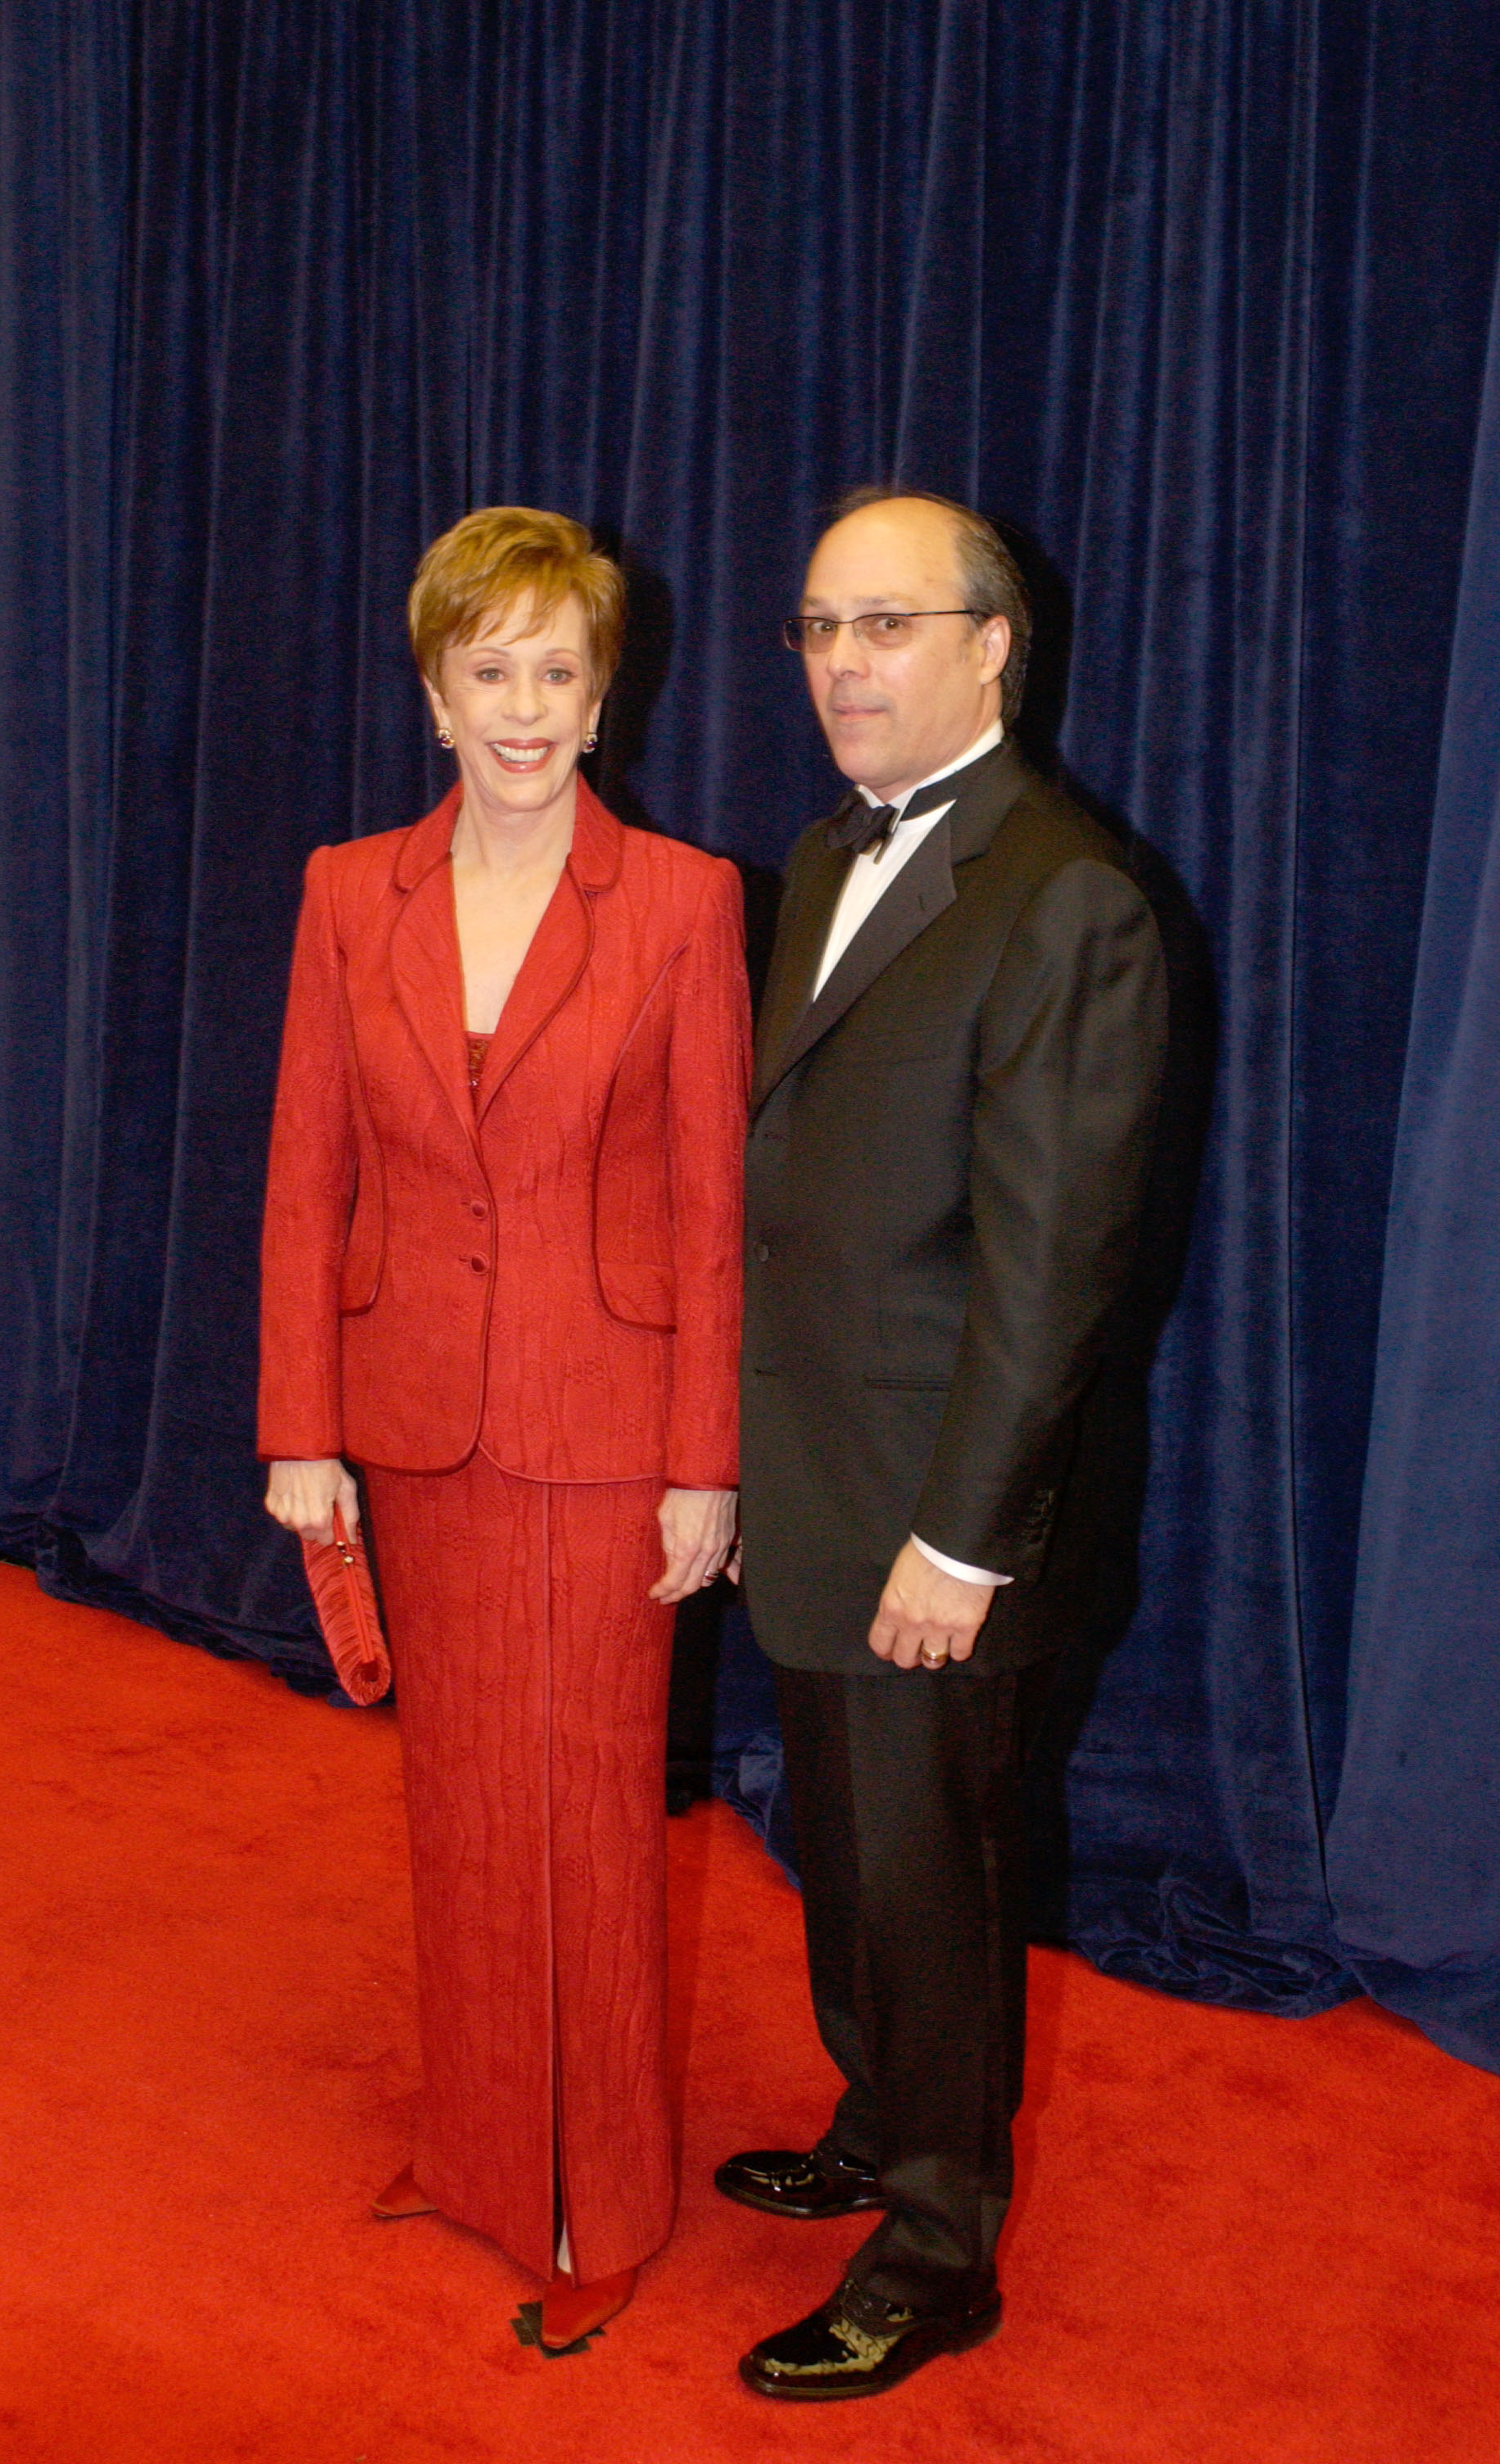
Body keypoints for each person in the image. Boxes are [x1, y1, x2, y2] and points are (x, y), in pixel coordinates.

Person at [259, 506, 750, 2352]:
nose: (528, 706)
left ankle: (598, 2199)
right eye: (494, 672)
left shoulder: (685, 901)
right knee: (459, 1812)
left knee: (591, 1831)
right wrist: (300, 1422)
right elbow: (305, 1177)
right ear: (432, 693)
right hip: (411, 1428)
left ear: (603, 696)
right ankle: (476, 2153)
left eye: (562, 671)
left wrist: (706, 1459)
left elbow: (712, 1208)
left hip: (608, 1435)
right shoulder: (340, 891)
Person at [723, 489, 1167, 2400]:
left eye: (885, 625)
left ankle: (933, 2245)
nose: (840, 662)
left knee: (931, 1876)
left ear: (994, 645)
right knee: (843, 1848)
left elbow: (1057, 1266)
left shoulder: (1066, 890)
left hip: (940, 1519)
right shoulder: (831, 851)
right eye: (820, 623)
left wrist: (963, 1544)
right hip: (818, 1476)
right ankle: (870, 2106)